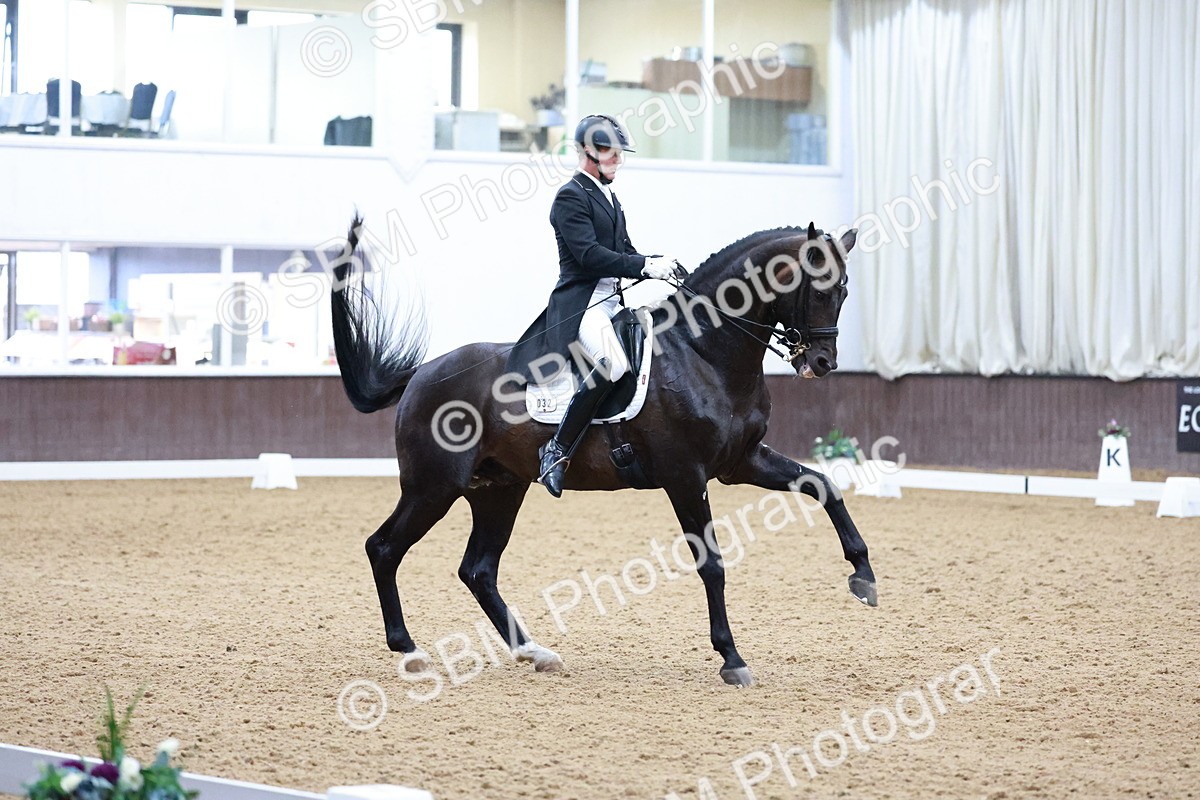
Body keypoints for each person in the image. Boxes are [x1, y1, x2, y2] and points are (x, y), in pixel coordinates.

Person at [507, 114, 681, 497]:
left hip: (610, 302)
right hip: (582, 305)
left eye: (620, 154)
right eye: (612, 154)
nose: (619, 161)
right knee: (613, 363)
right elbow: (589, 256)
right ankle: (556, 450)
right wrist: (643, 265)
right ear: (589, 153)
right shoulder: (570, 196)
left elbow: (626, 253)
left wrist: (659, 265)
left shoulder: (611, 199)